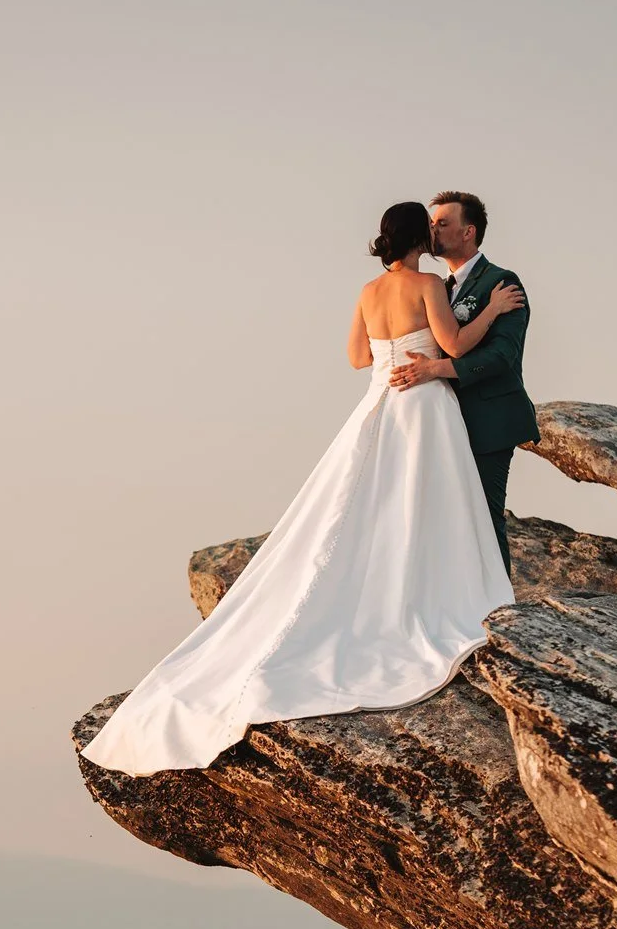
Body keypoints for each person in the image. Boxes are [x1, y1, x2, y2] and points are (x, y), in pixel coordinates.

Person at [79, 201, 525, 779]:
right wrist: (488, 311)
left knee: (366, 502)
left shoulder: (368, 291)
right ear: (421, 238)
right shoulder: (428, 284)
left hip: (378, 399)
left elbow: (357, 356)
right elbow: (457, 346)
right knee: (425, 502)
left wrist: (396, 347)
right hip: (422, 405)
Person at [389, 191, 538, 577]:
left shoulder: (502, 284)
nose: (432, 229)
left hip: (490, 419)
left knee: (485, 520)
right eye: (431, 223)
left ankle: (501, 615)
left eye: (442, 223)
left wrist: (436, 369)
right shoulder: (438, 286)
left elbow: (502, 356)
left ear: (468, 232)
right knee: (444, 523)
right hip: (443, 421)